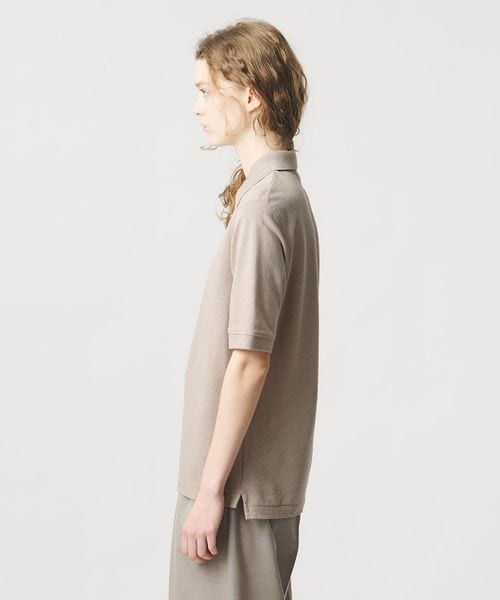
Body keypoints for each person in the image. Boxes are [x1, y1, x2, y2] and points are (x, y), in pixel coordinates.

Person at [168, 17, 320, 600]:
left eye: (207, 90)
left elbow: (250, 362)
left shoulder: (265, 207)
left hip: (234, 494)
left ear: (251, 96)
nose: (197, 106)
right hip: (242, 490)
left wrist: (209, 493)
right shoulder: (278, 196)